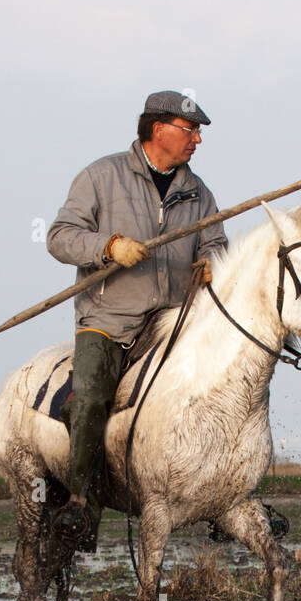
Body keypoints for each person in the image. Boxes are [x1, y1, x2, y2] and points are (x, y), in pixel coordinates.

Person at [46, 90, 228, 549]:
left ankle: (225, 499)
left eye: (198, 132)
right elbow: (60, 237)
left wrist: (212, 263)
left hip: (173, 322)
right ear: (157, 130)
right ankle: (80, 505)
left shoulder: (199, 192)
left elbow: (216, 243)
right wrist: (108, 247)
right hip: (109, 320)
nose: (198, 140)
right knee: (88, 400)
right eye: (191, 131)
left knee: (225, 389)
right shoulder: (100, 176)